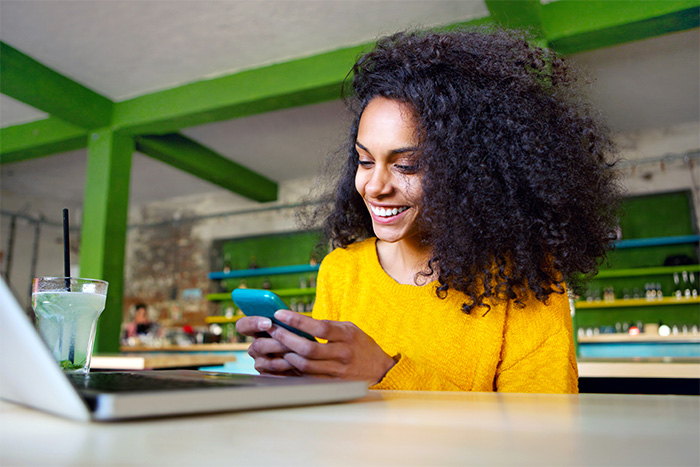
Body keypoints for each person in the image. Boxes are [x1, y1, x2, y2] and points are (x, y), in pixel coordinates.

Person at [236, 27, 621, 393]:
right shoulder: (341, 271)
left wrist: (386, 373)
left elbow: (541, 432)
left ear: (471, 170)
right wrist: (297, 373)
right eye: (365, 161)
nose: (374, 186)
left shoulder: (524, 279)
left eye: (407, 166)